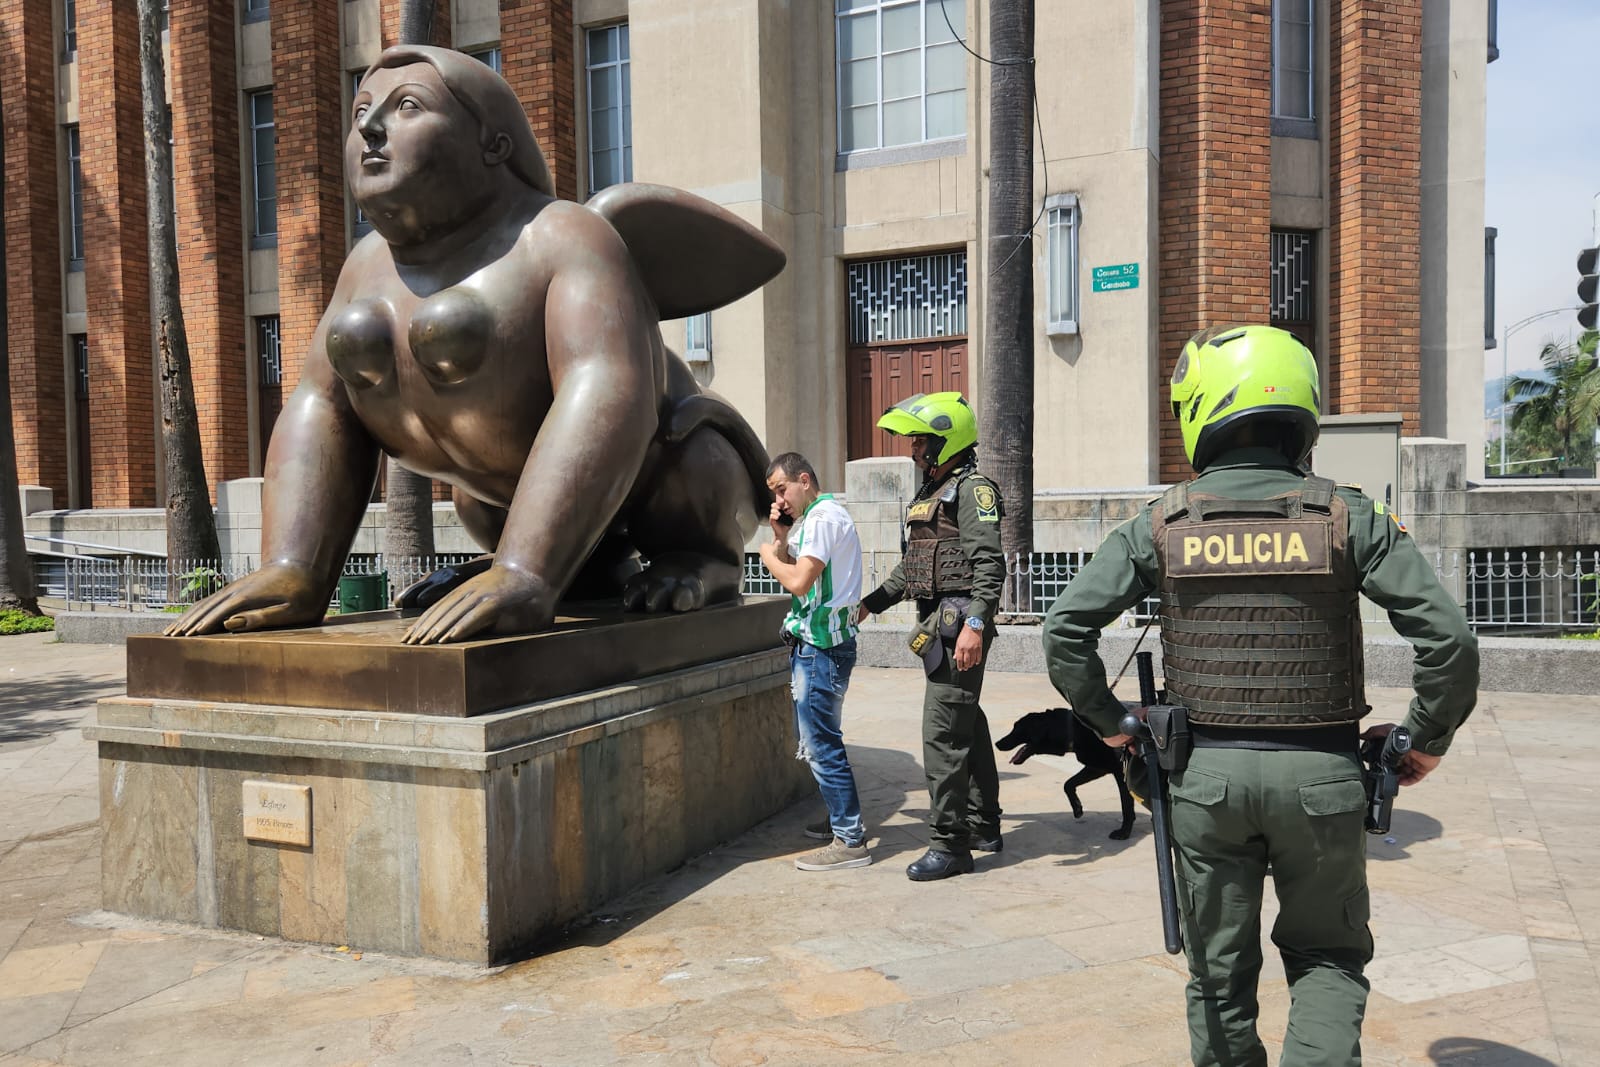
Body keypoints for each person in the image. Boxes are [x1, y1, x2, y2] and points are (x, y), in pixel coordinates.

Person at [1043, 325, 1480, 1066]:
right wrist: (1423, 740)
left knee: (1217, 975)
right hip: (1324, 780)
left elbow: (1064, 632)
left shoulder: (1161, 522)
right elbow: (1451, 643)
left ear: (1204, 411)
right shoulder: (1347, 515)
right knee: (1328, 958)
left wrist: (1117, 726)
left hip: (1203, 783)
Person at [858, 393, 1006, 882]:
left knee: (942, 735)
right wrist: (869, 604)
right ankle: (984, 826)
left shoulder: (972, 491)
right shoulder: (930, 494)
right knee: (967, 723)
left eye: (922, 441)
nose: (915, 450)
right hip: (939, 624)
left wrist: (976, 625)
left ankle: (950, 845)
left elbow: (989, 565)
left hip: (960, 624)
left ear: (947, 442)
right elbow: (913, 567)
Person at [758, 452, 870, 871]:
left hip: (821, 647)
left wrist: (768, 554)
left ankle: (851, 840)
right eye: (773, 493)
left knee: (822, 745)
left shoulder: (823, 519)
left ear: (804, 479)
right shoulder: (817, 519)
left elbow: (799, 581)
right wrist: (783, 539)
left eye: (782, 489)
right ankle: (842, 818)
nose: (780, 499)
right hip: (821, 644)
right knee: (821, 738)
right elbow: (807, 583)